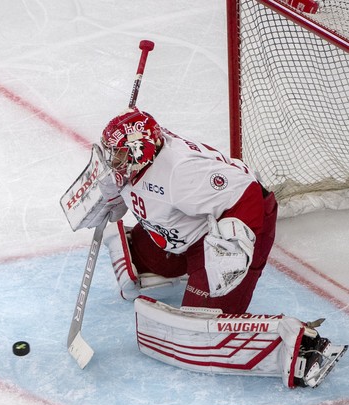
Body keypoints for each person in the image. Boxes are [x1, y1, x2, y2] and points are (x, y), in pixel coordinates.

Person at [79, 107, 345, 389]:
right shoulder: (142, 159)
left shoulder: (180, 172)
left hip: (240, 220)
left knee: (199, 326)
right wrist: (107, 194)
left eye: (118, 155)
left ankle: (301, 347)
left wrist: (231, 251)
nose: (112, 162)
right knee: (150, 259)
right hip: (188, 228)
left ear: (137, 151)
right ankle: (177, 262)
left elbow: (247, 193)